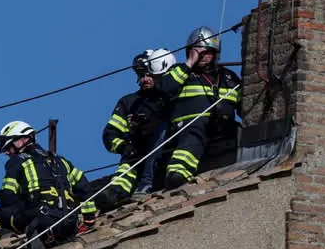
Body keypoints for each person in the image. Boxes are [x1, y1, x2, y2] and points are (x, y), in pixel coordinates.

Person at [0, 121, 98, 249]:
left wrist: (22, 206)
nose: (7, 153)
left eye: (9, 147)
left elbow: (6, 196)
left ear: (23, 139)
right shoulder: (60, 161)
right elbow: (84, 187)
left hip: (41, 220)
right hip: (69, 223)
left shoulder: (17, 162)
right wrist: (89, 219)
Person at [153, 26, 242, 190]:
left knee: (243, 132)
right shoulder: (180, 72)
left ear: (215, 53)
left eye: (206, 52)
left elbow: (245, 106)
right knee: (196, 130)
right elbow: (163, 88)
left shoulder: (228, 77)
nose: (202, 56)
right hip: (187, 128)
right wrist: (188, 64)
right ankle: (177, 172)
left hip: (221, 128)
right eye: (197, 51)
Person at [99, 48, 177, 205]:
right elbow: (109, 135)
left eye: (149, 74)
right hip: (134, 156)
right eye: (141, 75)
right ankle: (115, 195)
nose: (145, 79)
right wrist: (124, 147)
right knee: (122, 177)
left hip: (165, 154)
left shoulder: (171, 96)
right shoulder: (129, 102)